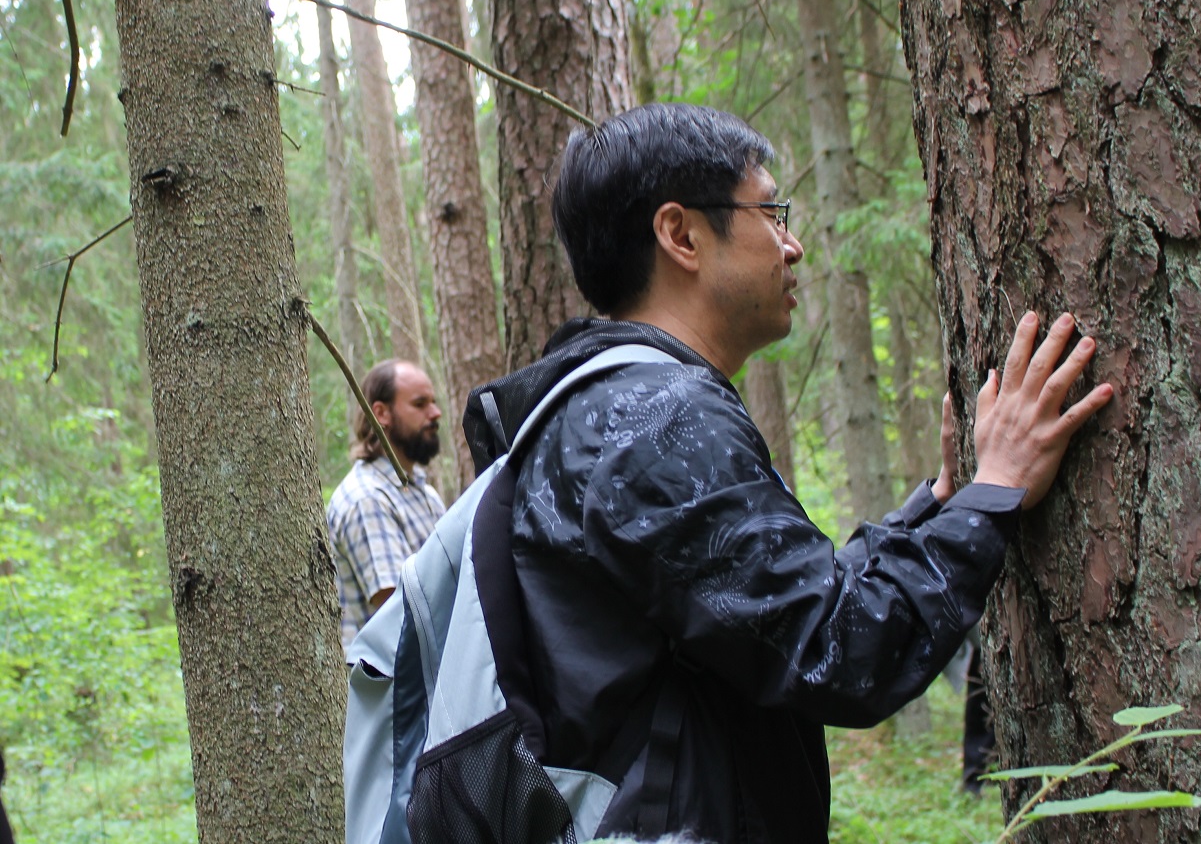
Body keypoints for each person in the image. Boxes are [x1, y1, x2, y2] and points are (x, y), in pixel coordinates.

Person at [463, 103, 1113, 843]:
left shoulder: (600, 414)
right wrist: (994, 495)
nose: (793, 244)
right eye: (770, 212)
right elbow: (841, 649)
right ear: (681, 235)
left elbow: (773, 619)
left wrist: (940, 506)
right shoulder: (653, 418)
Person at [327, 360, 447, 653]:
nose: (435, 413)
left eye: (433, 402)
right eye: (420, 404)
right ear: (381, 413)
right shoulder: (367, 499)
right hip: (395, 692)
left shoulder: (423, 492)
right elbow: (404, 620)